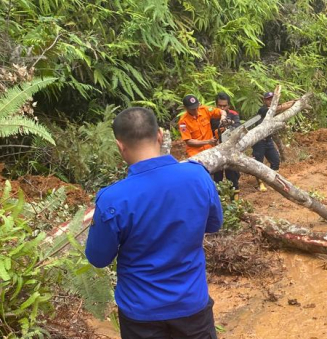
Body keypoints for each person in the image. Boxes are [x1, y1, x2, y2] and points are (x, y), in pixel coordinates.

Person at [85, 107, 223, 339]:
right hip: (191, 302)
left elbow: (98, 258)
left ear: (120, 145)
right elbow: (213, 224)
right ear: (160, 135)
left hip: (141, 312)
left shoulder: (113, 199)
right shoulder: (198, 177)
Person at [251, 92, 292, 192]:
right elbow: (274, 109)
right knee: (258, 163)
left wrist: (294, 102)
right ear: (264, 100)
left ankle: (272, 181)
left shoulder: (274, 111)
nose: (270, 101)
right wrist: (287, 105)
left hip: (268, 140)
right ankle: (260, 183)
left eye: (272, 99)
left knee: (276, 160)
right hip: (258, 141)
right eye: (268, 99)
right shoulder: (263, 110)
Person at [211, 92, 241, 192]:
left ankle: (235, 197)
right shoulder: (212, 115)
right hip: (216, 149)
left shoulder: (233, 114)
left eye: (224, 106)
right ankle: (218, 197)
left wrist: (229, 127)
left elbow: (238, 127)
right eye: (220, 106)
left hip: (230, 148)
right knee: (217, 177)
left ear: (229, 105)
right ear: (216, 105)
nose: (222, 108)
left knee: (233, 175)